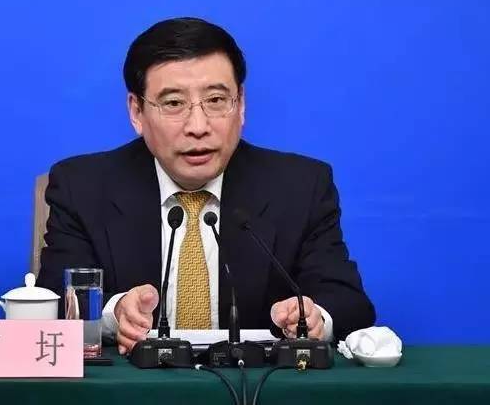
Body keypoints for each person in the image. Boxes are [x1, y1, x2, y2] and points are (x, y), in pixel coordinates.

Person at [36, 17, 375, 354]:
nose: (198, 126)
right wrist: (114, 313)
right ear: (137, 112)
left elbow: (347, 302)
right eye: (173, 103)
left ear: (240, 104)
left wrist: (314, 318)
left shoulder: (300, 187)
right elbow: (51, 300)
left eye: (215, 100)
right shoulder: (82, 187)